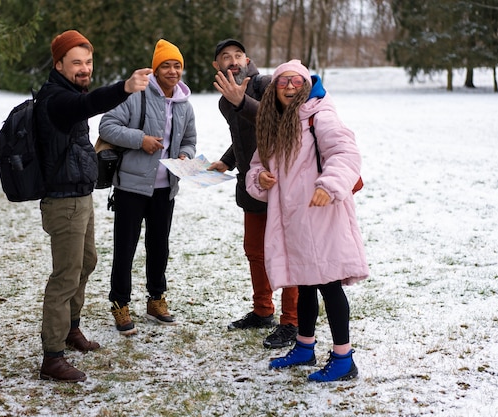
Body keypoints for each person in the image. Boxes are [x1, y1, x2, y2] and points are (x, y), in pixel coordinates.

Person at [34, 29, 152, 382]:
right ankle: (52, 356)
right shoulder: (57, 98)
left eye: (88, 62)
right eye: (76, 63)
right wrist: (124, 89)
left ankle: (71, 329)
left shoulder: (70, 90)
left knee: (86, 262)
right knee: (65, 275)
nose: (84, 68)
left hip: (80, 197)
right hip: (63, 201)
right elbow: (86, 106)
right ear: (58, 64)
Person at [245, 59, 369, 382]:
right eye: (282, 82)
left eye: (296, 82)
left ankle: (344, 358)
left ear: (305, 86)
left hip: (322, 216)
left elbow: (346, 153)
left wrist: (329, 186)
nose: (288, 87)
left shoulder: (319, 115)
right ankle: (305, 346)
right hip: (294, 223)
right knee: (305, 284)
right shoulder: (274, 123)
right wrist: (261, 179)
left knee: (329, 285)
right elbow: (255, 166)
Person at [99, 39, 196, 336]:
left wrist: (185, 156)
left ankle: (156, 299)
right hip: (131, 186)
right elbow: (106, 126)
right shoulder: (137, 96)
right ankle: (120, 303)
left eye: (177, 65)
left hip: (166, 188)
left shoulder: (185, 105)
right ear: (155, 69)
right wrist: (140, 140)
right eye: (165, 65)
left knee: (159, 247)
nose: (172, 70)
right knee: (125, 248)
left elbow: (190, 142)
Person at [208, 39, 299, 349]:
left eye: (238, 56)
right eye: (225, 57)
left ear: (247, 59)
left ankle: (292, 321)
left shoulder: (266, 85)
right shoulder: (224, 102)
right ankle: (263, 311)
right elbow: (244, 136)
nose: (233, 61)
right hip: (250, 185)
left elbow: (278, 124)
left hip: (278, 183)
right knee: (254, 251)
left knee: (285, 255)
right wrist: (228, 160)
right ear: (216, 66)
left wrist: (241, 101)